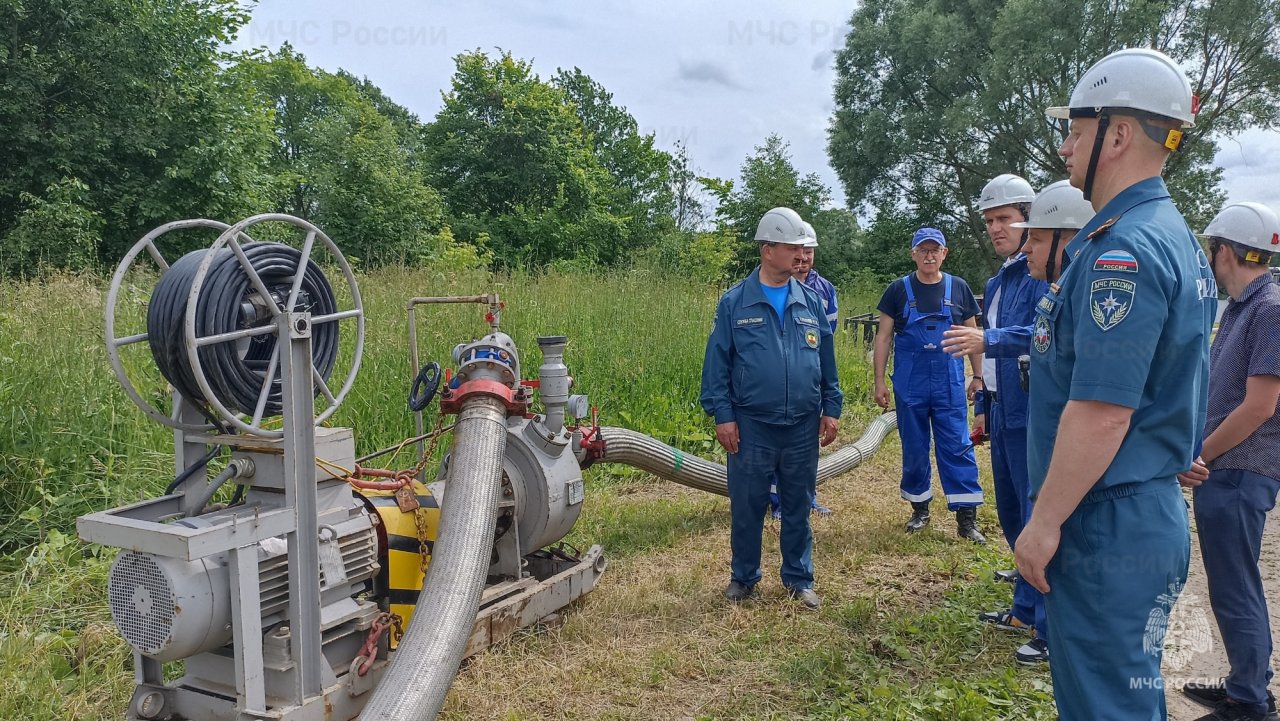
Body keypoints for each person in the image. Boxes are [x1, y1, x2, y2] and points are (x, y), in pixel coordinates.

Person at [1014, 48, 1217, 721]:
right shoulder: (1173, 236)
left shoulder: (1122, 252)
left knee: (1105, 706)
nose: (1065, 148)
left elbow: (1102, 411)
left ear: (1119, 134)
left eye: (1076, 131)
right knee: (1123, 697)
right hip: (1136, 508)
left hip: (1105, 519)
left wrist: (1043, 523)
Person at [700, 206, 843, 611]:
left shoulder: (810, 301)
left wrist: (831, 406)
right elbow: (716, 364)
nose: (801, 254)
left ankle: (799, 578)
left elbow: (826, 360)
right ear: (767, 250)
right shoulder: (735, 302)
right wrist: (723, 416)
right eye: (791, 247)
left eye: (802, 248)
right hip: (752, 425)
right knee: (747, 504)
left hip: (802, 424)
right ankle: (743, 578)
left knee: (798, 503)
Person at [940, 173, 1050, 665]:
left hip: (1033, 410)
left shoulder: (1042, 272)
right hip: (1004, 408)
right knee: (1009, 512)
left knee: (1033, 514)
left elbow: (1045, 332)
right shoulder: (999, 278)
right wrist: (984, 402)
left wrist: (991, 340)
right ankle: (1024, 610)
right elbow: (989, 353)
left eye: (1004, 218)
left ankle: (1048, 625)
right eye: (988, 221)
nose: (995, 229)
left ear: (1030, 217)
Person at [1176, 201, 1280, 721]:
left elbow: (1261, 406)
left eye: (1211, 248)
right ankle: (1247, 683)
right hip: (1228, 468)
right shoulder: (1244, 307)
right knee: (1230, 582)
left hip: (1240, 469)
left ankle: (1250, 703)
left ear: (1225, 251)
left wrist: (1202, 453)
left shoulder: (1270, 309)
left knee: (1235, 585)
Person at [873, 227, 986, 543]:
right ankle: (919, 509)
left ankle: (966, 519)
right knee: (915, 447)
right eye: (923, 250)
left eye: (935, 250)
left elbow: (973, 337)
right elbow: (883, 337)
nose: (929, 255)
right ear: (913, 254)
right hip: (911, 385)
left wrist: (978, 377)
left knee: (957, 445)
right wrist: (879, 381)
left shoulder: (959, 288)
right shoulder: (898, 290)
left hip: (949, 384)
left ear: (944, 253)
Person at [769, 220, 838, 520]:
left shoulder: (824, 290)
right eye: (799, 250)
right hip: (778, 379)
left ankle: (807, 499)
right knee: (776, 443)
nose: (804, 257)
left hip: (809, 378)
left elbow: (827, 338)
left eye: (809, 251)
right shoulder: (772, 285)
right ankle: (777, 502)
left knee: (806, 445)